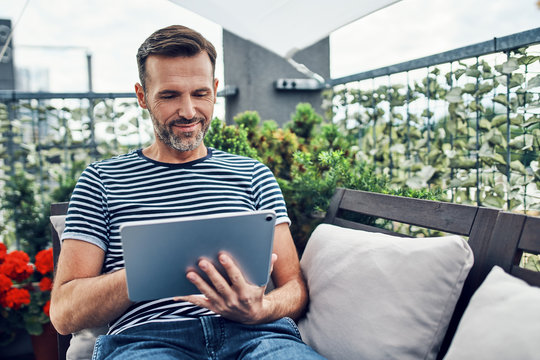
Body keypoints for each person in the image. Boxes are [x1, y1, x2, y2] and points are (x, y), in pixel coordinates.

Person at [50, 25, 325, 359]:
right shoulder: (101, 181)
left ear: (215, 90)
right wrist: (150, 269)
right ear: (142, 96)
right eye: (169, 95)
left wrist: (261, 308)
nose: (189, 112)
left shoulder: (253, 174)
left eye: (200, 93)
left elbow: (294, 288)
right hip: (148, 340)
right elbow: (64, 315)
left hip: (258, 336)